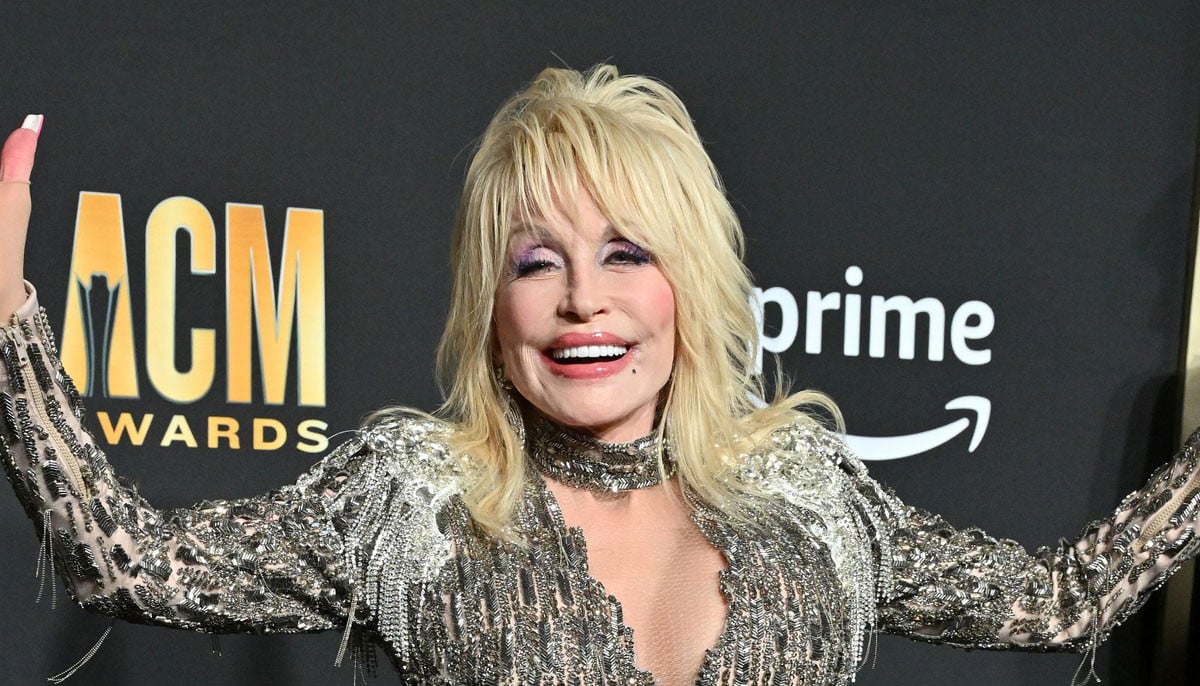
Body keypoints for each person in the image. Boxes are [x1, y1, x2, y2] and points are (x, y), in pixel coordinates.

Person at [0, 65, 1197, 686]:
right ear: (491, 303)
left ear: (689, 280)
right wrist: (6, 311)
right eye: (537, 261)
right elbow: (129, 560)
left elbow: (1061, 599)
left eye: (627, 252)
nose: (583, 298)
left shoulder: (810, 494)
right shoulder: (414, 497)